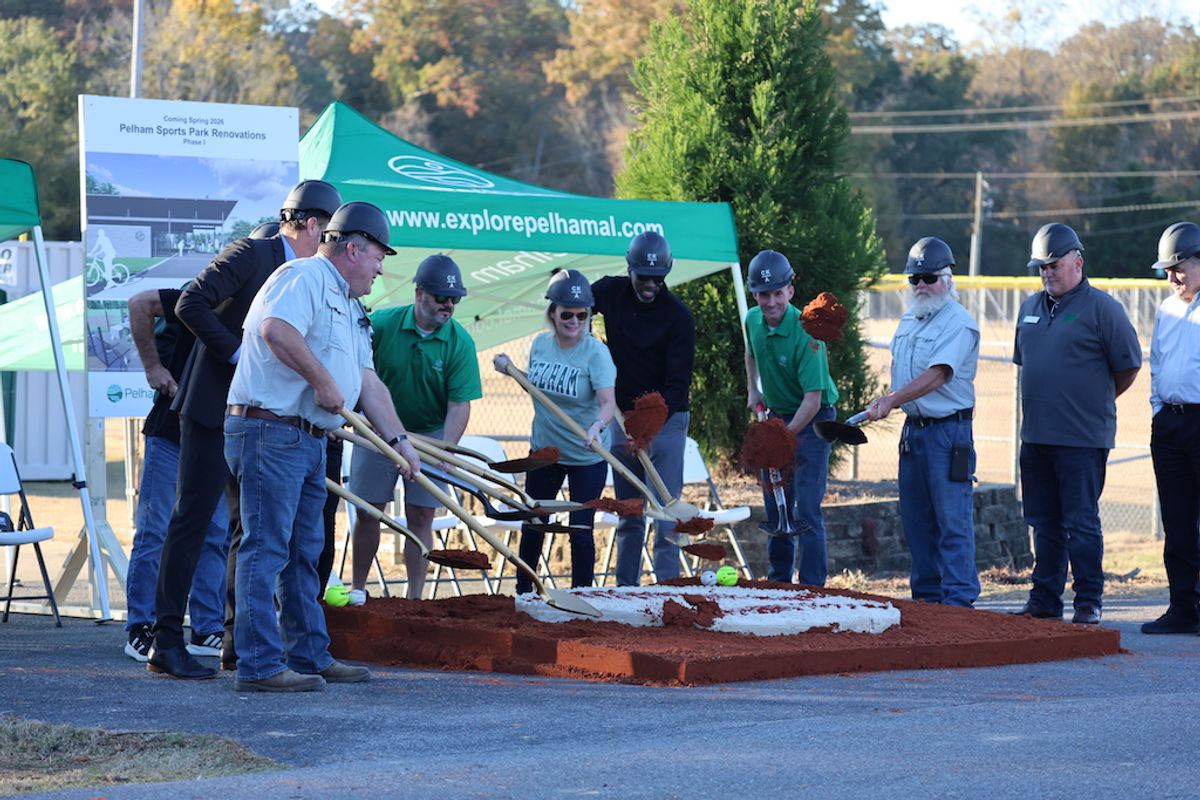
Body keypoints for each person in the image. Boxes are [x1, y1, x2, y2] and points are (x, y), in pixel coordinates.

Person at [148, 180, 343, 680]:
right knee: (192, 519)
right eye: (331, 234)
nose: (333, 247)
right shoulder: (253, 254)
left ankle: (238, 645)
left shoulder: (309, 277)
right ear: (313, 225)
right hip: (216, 407)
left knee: (245, 531)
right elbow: (191, 301)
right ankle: (165, 641)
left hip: (264, 419)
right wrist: (236, 355)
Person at [224, 201, 420, 692]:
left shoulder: (353, 308)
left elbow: (368, 382)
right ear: (352, 249)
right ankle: (260, 665)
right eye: (378, 256)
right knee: (266, 548)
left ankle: (309, 655)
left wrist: (400, 442)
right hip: (270, 431)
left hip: (308, 437)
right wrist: (321, 380)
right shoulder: (303, 277)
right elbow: (276, 331)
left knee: (305, 552)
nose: (381, 268)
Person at [1012, 223, 1141, 625]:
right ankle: (1045, 598)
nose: (1047, 272)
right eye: (1041, 266)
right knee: (1043, 523)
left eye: (1053, 264)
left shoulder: (1103, 309)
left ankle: (1088, 600)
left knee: (1081, 523)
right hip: (1036, 436)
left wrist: (1091, 402)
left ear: (1077, 261)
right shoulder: (1029, 308)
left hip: (1081, 439)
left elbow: (1128, 367)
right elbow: (1027, 366)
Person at [347, 253, 482, 603]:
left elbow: (459, 405)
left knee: (421, 514)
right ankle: (359, 588)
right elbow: (355, 372)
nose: (448, 305)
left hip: (430, 435)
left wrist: (446, 451)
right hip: (376, 431)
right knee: (368, 510)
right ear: (420, 293)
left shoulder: (460, 343)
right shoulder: (383, 325)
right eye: (441, 297)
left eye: (454, 299)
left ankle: (415, 599)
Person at [866, 238, 981, 607]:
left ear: (948, 278)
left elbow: (938, 375)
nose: (920, 286)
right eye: (914, 278)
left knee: (952, 522)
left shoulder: (958, 322)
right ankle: (928, 603)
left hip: (948, 433)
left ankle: (959, 603)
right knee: (916, 525)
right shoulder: (910, 318)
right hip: (914, 433)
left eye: (928, 277)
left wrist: (892, 400)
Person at [493, 269, 616, 593]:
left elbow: (607, 403)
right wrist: (511, 371)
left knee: (580, 528)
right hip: (545, 452)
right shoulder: (540, 345)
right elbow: (536, 389)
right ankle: (525, 591)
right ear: (553, 312)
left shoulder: (596, 353)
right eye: (566, 313)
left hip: (585, 454)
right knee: (534, 519)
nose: (574, 320)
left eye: (581, 314)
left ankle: (581, 595)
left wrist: (596, 427)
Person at [123, 287, 229, 661]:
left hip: (215, 434)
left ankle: (207, 627)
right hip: (171, 429)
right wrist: (152, 366)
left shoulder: (267, 305)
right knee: (155, 531)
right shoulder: (200, 294)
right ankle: (141, 625)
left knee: (215, 533)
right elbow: (139, 303)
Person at [591, 231, 695, 585]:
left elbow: (678, 385)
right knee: (629, 512)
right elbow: (573, 306)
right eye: (642, 276)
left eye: (657, 277)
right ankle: (626, 590)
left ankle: (667, 589)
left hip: (667, 418)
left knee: (666, 512)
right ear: (629, 269)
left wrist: (648, 429)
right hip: (622, 416)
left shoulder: (678, 317)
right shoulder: (609, 291)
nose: (649, 284)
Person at [743, 250, 838, 586]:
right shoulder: (752, 320)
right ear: (754, 294)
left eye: (777, 293)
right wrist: (754, 392)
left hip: (814, 423)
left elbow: (812, 401)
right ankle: (780, 582)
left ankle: (812, 588)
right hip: (778, 417)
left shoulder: (808, 334)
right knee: (777, 506)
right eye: (763, 294)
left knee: (806, 509)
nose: (770, 302)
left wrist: (782, 437)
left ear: (790, 291)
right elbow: (750, 354)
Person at [1142, 222, 1200, 634]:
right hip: (1170, 425)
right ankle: (1183, 608)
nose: (1172, 277)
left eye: (1178, 268)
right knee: (1177, 522)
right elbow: (1157, 364)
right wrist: (1159, 411)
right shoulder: (1166, 309)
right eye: (1168, 270)